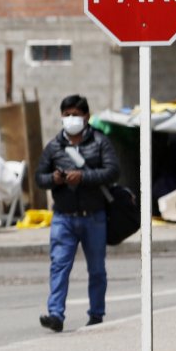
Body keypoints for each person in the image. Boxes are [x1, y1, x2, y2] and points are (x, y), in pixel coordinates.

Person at [36, 95, 119, 332]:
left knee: (96, 269)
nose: (71, 119)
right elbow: (39, 178)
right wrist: (54, 179)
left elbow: (113, 171)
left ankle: (96, 314)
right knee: (59, 265)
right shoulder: (54, 147)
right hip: (63, 217)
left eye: (76, 114)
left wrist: (83, 177)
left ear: (86, 117)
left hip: (94, 216)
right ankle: (56, 314)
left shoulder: (100, 143)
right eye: (67, 114)